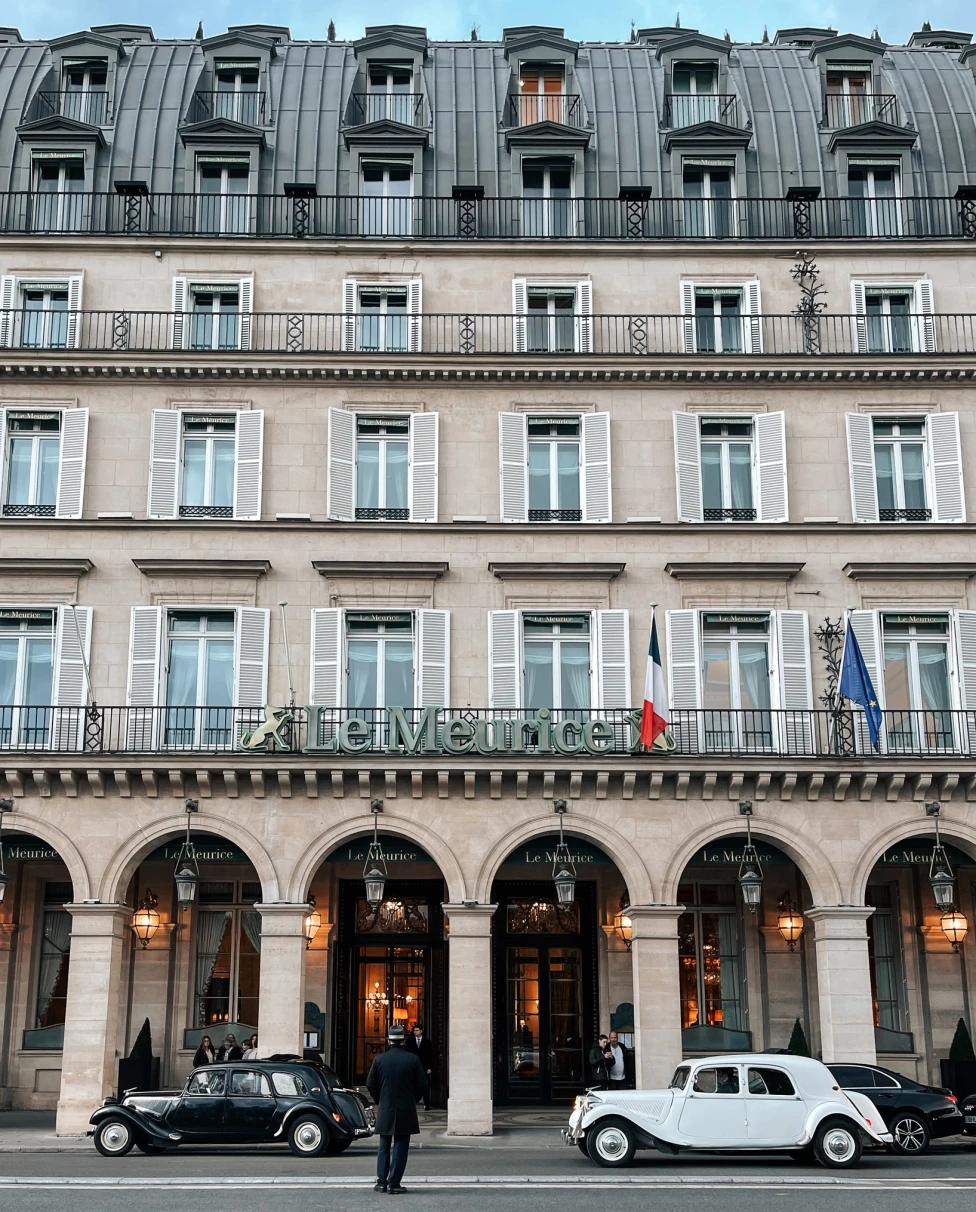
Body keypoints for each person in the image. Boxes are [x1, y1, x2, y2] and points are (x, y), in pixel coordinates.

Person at [366, 1023, 428, 1195]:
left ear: (389, 1041)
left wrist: (380, 1100)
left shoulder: (379, 1059)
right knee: (401, 1145)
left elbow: (370, 1084)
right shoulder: (413, 1059)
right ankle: (394, 1183)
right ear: (403, 1041)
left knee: (384, 1145)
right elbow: (423, 1085)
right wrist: (412, 1100)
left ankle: (381, 1182)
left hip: (386, 1107)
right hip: (405, 1108)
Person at [404, 1023, 434, 1110]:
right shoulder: (409, 1041)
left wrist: (430, 1067)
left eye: (417, 1030)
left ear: (421, 1031)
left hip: (424, 1067)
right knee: (411, 1086)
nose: (415, 1032)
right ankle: (412, 1103)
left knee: (425, 1086)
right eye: (414, 1030)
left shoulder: (427, 1042)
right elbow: (407, 1053)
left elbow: (430, 1055)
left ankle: (426, 1104)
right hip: (412, 1067)